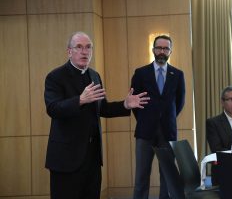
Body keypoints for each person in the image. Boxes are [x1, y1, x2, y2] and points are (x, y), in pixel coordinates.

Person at [44, 31, 150, 199]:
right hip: (66, 158)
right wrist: (79, 100)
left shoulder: (94, 75)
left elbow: (102, 109)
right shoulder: (55, 77)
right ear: (69, 51)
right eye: (79, 47)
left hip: (92, 158)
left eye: (88, 47)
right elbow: (53, 109)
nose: (84, 52)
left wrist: (124, 104)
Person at [130, 35, 185, 199]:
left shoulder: (178, 74)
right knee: (141, 178)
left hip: (168, 133)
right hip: (145, 132)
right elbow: (135, 103)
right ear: (153, 50)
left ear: (170, 51)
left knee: (167, 178)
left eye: (165, 48)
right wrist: (147, 118)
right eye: (159, 48)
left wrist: (167, 118)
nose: (162, 51)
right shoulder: (140, 73)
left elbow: (179, 103)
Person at [206, 86, 232, 185]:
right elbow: (216, 149)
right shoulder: (213, 123)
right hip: (225, 168)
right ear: (222, 102)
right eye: (230, 99)